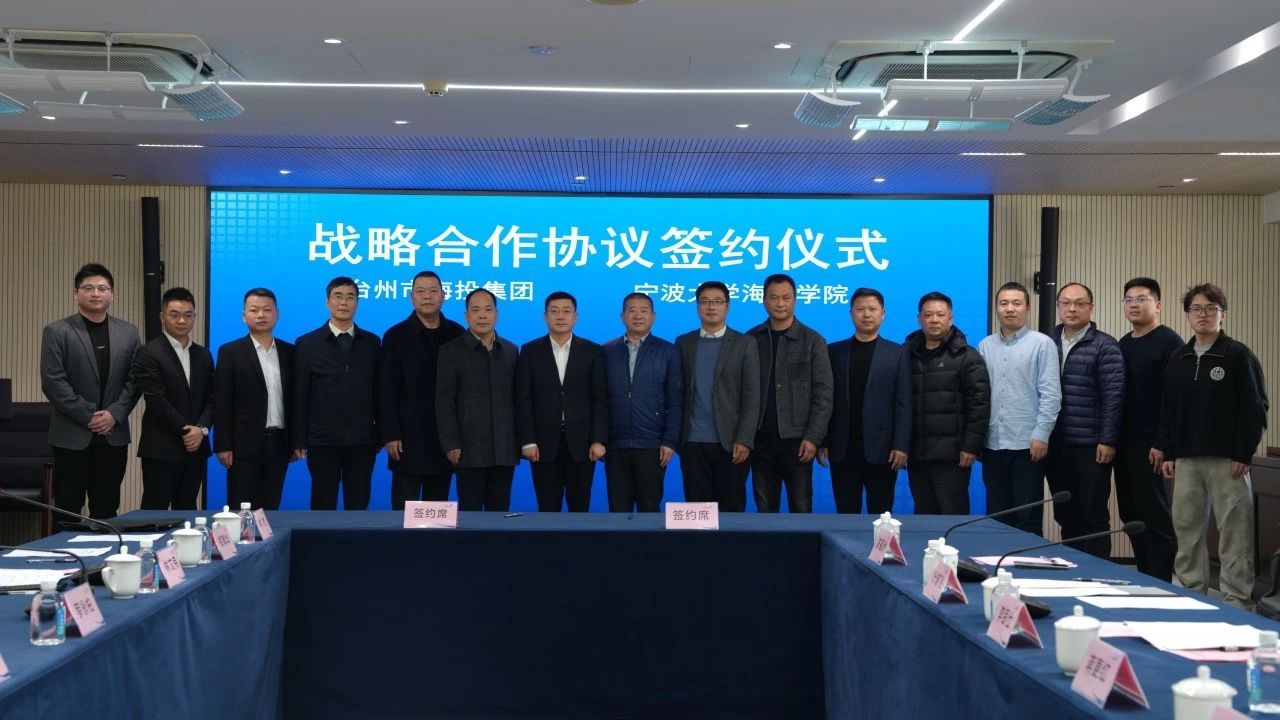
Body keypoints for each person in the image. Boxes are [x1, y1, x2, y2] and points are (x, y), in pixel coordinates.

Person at [1158, 283, 1269, 610]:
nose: (1203, 315)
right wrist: (1168, 451)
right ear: (1188, 315)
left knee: (1235, 534)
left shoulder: (1237, 355)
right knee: (1187, 533)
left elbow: (1255, 407)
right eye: (1196, 309)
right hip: (1186, 461)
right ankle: (1192, 595)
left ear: (1223, 315)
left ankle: (1237, 602)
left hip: (1228, 461)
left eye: (1210, 309)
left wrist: (1243, 453)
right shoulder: (1178, 358)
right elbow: (1167, 409)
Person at [40, 263, 141, 518]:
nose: (96, 293)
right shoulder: (57, 331)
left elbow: (135, 380)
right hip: (71, 437)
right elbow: (53, 382)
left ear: (112, 295)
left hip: (113, 436)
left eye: (102, 288)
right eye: (88, 288)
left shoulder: (129, 333)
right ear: (76, 294)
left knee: (107, 510)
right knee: (67, 510)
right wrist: (91, 416)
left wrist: (114, 414)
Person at [1046, 282, 1125, 558]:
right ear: (1058, 307)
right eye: (1066, 303)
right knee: (1066, 514)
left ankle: (1097, 574)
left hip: (1091, 446)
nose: (1072, 308)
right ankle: (1073, 570)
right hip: (1056, 444)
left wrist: (1108, 439)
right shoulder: (1047, 342)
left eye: (1079, 303)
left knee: (1093, 515)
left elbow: (1114, 397)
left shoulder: (1105, 345)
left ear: (1091, 308)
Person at [977, 281, 1061, 535]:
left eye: (1016, 303)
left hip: (1028, 445)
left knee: (1027, 518)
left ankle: (1028, 560)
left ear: (1027, 308)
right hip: (992, 444)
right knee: (997, 517)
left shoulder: (1042, 344)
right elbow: (979, 396)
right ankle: (999, 560)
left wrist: (1041, 435)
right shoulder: (985, 346)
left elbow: (1051, 394)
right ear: (996, 308)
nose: (1009, 309)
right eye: (1003, 303)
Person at [819, 288, 911, 514]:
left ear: (883, 314)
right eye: (860, 309)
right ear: (851, 313)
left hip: (883, 449)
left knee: (881, 514)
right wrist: (823, 439)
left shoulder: (897, 353)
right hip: (842, 448)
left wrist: (901, 445)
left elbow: (904, 403)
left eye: (872, 309)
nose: (866, 314)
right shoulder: (834, 351)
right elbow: (825, 400)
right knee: (845, 512)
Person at [746, 274, 833, 513]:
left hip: (799, 442)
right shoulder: (751, 339)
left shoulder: (813, 341)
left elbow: (824, 394)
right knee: (765, 509)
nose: (780, 303)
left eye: (786, 298)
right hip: (760, 441)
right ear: (764, 300)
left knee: (801, 507)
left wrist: (813, 437)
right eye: (774, 298)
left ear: (795, 300)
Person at [379, 271, 465, 509]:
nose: (427, 296)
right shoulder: (395, 336)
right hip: (406, 439)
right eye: (420, 291)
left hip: (445, 438)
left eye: (433, 291)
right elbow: (386, 389)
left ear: (443, 295)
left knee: (437, 510)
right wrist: (390, 433)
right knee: (403, 512)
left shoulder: (457, 334)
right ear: (412, 297)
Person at [293, 276, 380, 510]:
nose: (344, 302)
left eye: (350, 297)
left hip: (363, 441)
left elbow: (380, 393)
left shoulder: (372, 343)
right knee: (323, 504)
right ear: (327, 302)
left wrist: (379, 434)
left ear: (357, 303)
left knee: (359, 505)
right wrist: (299, 438)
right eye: (338, 297)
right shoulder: (307, 343)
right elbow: (300, 395)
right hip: (322, 441)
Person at [516, 291, 609, 512]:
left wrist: (598, 439)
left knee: (580, 508)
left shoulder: (592, 351)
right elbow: (523, 399)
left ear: (575, 317)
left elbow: (599, 399)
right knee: (547, 508)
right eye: (554, 311)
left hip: (582, 445)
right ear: (545, 316)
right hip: (543, 445)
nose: (560, 316)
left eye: (566, 311)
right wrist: (528, 441)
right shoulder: (530, 351)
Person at [1115, 277, 1182, 581]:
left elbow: (1174, 399)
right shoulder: (1123, 343)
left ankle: (1161, 583)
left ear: (1158, 305)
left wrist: (1163, 444)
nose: (1134, 305)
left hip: (1153, 447)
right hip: (1124, 445)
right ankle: (1144, 578)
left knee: (1155, 517)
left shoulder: (1170, 343)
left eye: (1142, 299)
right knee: (1131, 515)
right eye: (1128, 299)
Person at [675, 281, 761, 512]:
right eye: (705, 301)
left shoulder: (745, 343)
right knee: (697, 511)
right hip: (692, 442)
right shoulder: (684, 342)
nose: (711, 307)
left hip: (731, 444)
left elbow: (752, 395)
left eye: (717, 301)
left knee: (731, 511)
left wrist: (744, 438)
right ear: (697, 306)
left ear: (727, 306)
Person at [903, 292, 990, 515]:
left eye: (940, 315)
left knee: (953, 515)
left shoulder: (967, 356)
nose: (934, 320)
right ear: (919, 318)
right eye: (928, 315)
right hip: (917, 455)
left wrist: (970, 446)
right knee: (923, 515)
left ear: (950, 318)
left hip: (953, 457)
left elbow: (979, 405)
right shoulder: (906, 355)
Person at [436, 288, 520, 511]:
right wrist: (450, 443)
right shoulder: (451, 352)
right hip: (468, 451)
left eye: (488, 310)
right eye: (476, 310)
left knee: (500, 515)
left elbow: (519, 401)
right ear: (467, 316)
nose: (482, 315)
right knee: (469, 516)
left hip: (504, 450)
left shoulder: (511, 351)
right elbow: (444, 402)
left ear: (496, 314)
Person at [133, 287, 215, 510]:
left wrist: (201, 430)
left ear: (194, 317)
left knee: (188, 511)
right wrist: (188, 431)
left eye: (188, 315)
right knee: (154, 512)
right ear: (162, 317)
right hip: (161, 448)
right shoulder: (148, 352)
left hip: (195, 448)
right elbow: (156, 400)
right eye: (174, 315)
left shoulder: (203, 354)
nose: (181, 321)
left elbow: (212, 398)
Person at [213, 287, 295, 510]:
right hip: (243, 445)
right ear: (244, 316)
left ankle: (267, 535)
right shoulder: (230, 352)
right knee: (242, 506)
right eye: (254, 310)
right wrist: (223, 444)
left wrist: (297, 441)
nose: (261, 315)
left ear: (277, 314)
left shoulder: (290, 352)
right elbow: (222, 401)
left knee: (271, 506)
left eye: (267, 310)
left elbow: (295, 401)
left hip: (279, 443)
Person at [601, 292, 683, 513]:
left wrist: (670, 441)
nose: (638, 315)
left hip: (652, 445)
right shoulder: (606, 351)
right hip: (615, 445)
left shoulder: (668, 351)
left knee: (649, 509)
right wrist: (599, 438)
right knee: (618, 510)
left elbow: (676, 402)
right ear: (622, 316)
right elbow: (599, 401)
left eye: (644, 310)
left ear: (653, 316)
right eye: (632, 310)